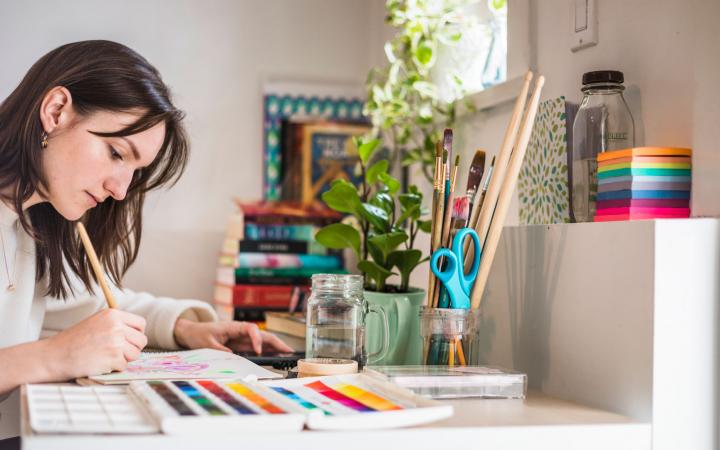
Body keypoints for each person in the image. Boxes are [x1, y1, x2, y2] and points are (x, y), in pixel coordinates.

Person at [0, 40, 292, 398]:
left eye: (135, 171)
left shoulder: (30, 227)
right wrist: (55, 356)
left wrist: (184, 328)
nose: (120, 190)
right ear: (57, 110)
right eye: (116, 152)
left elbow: (87, 302)